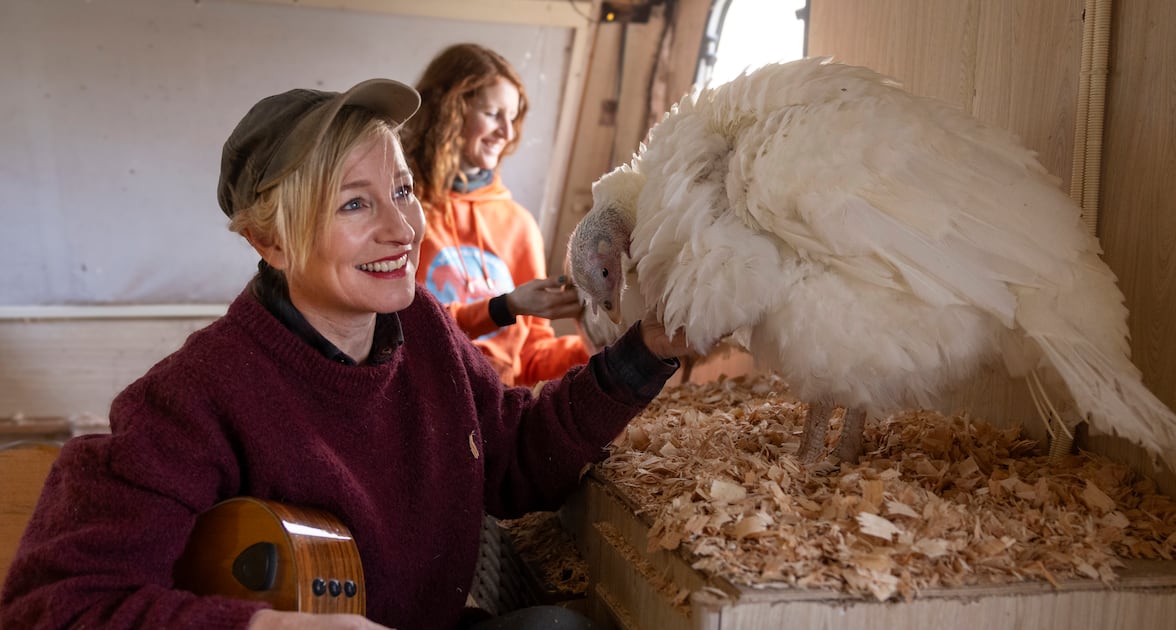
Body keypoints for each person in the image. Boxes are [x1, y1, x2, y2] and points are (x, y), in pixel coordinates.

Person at [0, 77, 689, 629]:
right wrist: (270, 626)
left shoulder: (422, 329)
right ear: (270, 242)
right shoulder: (195, 396)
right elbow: (52, 605)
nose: (401, 230)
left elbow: (515, 460)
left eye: (399, 190)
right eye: (354, 206)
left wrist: (647, 351)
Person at [404, 43, 591, 387]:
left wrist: (601, 347)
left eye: (513, 117)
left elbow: (531, 358)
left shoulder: (519, 226)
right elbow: (400, 329)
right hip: (416, 398)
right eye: (493, 114)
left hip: (493, 412)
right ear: (448, 110)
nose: (507, 133)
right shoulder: (402, 208)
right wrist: (503, 307)